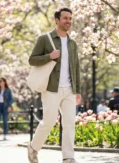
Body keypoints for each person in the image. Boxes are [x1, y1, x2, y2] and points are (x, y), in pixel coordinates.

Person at [27, 7, 81, 163]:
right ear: (57, 20)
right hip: (51, 88)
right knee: (49, 122)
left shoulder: (72, 44)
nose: (68, 21)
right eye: (65, 18)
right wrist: (49, 56)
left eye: (70, 18)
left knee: (69, 123)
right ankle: (33, 148)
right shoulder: (44, 39)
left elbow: (76, 67)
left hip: (69, 89)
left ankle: (68, 157)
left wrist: (77, 90)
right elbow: (32, 60)